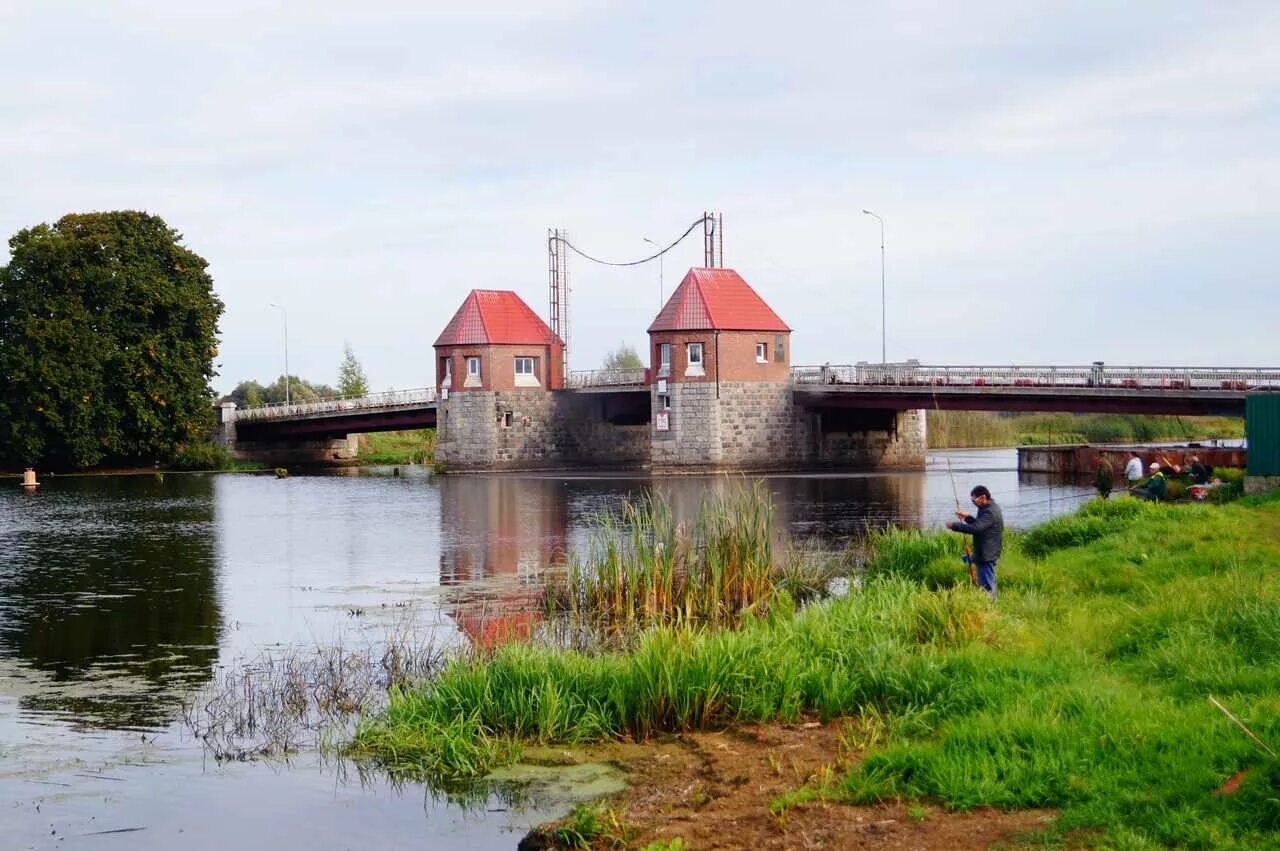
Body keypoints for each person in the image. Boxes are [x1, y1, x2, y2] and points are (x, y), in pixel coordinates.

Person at [946, 485, 1004, 600]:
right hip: (986, 551)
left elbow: (976, 528)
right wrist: (967, 517)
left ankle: (990, 609)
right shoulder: (988, 507)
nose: (973, 502)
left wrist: (954, 526)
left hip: (986, 554)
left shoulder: (989, 512)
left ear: (982, 497)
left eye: (974, 500)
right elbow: (981, 525)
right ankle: (990, 604)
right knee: (988, 581)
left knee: (987, 585)